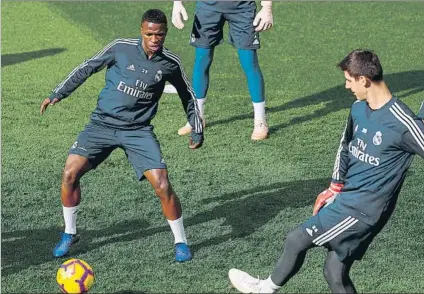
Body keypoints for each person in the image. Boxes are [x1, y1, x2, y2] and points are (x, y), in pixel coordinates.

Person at [228, 49, 424, 293]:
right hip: (347, 198)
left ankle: (264, 289)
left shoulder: (403, 123)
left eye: (349, 80)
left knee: (296, 239)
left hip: (363, 211)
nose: (346, 87)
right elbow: (345, 147)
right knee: (335, 273)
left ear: (364, 80)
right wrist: (335, 186)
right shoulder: (358, 109)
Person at [40, 9, 203, 262]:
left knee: (162, 184)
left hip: (138, 131)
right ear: (141, 31)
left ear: (165, 34)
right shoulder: (120, 47)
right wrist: (58, 93)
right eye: (149, 34)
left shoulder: (170, 63)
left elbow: (188, 95)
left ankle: (180, 242)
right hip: (102, 124)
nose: (154, 39)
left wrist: (196, 126)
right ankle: (70, 233)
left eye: (159, 34)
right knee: (70, 173)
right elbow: (86, 68)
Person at [170, 1, 273, 141]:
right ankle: (197, 118)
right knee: (201, 61)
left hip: (242, 8)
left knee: (249, 63)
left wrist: (267, 7)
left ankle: (260, 122)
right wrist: (177, 3)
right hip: (208, 7)